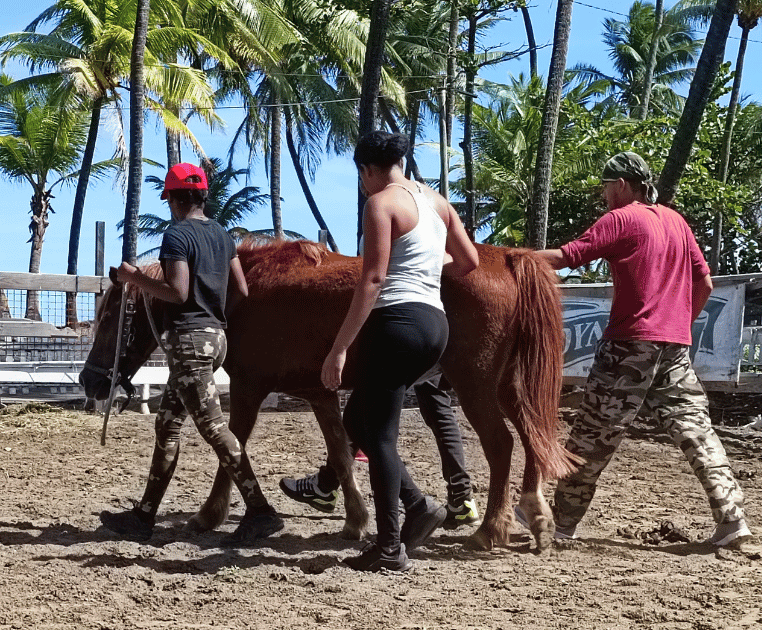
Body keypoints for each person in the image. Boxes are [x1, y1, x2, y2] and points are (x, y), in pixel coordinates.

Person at [530, 151, 750, 547]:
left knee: (593, 434)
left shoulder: (621, 218)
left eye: (605, 186)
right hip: (673, 346)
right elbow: (706, 283)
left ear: (622, 184)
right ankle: (732, 519)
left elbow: (566, 257)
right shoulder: (676, 221)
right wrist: (680, 324)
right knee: (697, 432)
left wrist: (508, 257)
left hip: (629, 344)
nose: (603, 195)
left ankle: (561, 524)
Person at [99, 162, 284, 547]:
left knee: (214, 428)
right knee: (167, 425)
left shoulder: (177, 235)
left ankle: (260, 510)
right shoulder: (222, 234)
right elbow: (243, 291)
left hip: (189, 343)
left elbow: (178, 293)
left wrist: (133, 278)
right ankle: (144, 516)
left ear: (174, 198)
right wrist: (212, 310)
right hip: (216, 339)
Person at [322, 130, 478, 572]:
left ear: (367, 170)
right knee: (358, 420)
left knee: (383, 437)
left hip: (396, 322)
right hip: (435, 325)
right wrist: (429, 263)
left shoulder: (382, 203)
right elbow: (468, 262)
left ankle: (390, 546)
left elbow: (373, 279)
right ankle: (419, 504)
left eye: (361, 177)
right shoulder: (437, 202)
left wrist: (339, 347)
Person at [279, 371, 481, 529]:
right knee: (436, 402)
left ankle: (326, 485)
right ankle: (461, 497)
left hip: (405, 327)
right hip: (439, 327)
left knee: (365, 403)